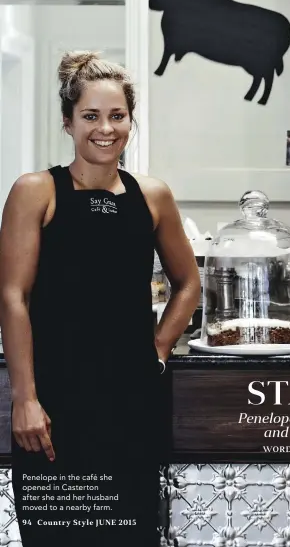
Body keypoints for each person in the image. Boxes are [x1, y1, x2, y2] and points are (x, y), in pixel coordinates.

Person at [0, 51, 201, 546]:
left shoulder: (153, 196)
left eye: (117, 116)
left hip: (130, 405)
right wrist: (24, 398)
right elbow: (12, 297)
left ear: (131, 121)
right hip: (53, 410)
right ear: (67, 122)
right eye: (90, 116)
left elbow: (189, 283)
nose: (105, 129)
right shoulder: (36, 191)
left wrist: (156, 349)